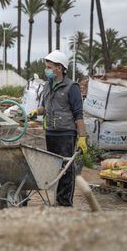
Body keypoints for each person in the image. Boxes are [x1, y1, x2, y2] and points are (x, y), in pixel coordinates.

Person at [28, 50, 87, 207]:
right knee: (55, 169)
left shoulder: (72, 87)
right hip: (51, 133)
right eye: (46, 66)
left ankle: (65, 203)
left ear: (59, 68)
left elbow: (78, 115)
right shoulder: (47, 85)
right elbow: (44, 108)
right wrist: (36, 112)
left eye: (49, 67)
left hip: (66, 134)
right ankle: (57, 201)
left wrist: (82, 138)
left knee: (66, 169)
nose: (46, 70)